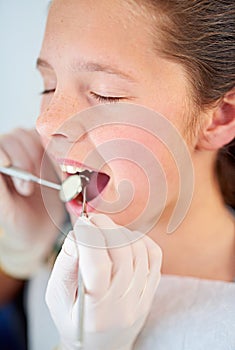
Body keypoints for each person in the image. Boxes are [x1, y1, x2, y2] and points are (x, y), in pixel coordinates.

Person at [0, 0, 234, 349]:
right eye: (48, 86)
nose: (46, 123)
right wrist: (15, 262)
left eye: (104, 93)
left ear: (220, 117)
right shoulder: (51, 244)